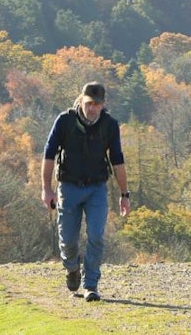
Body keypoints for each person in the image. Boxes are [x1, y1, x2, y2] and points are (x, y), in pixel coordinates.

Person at [41, 81, 131, 302]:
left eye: (96, 104)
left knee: (96, 237)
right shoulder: (65, 121)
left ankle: (91, 285)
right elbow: (49, 154)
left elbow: (117, 160)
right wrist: (46, 189)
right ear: (81, 100)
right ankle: (72, 268)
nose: (92, 109)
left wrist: (124, 194)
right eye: (89, 103)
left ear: (103, 105)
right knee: (68, 240)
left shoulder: (110, 125)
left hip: (96, 188)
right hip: (68, 187)